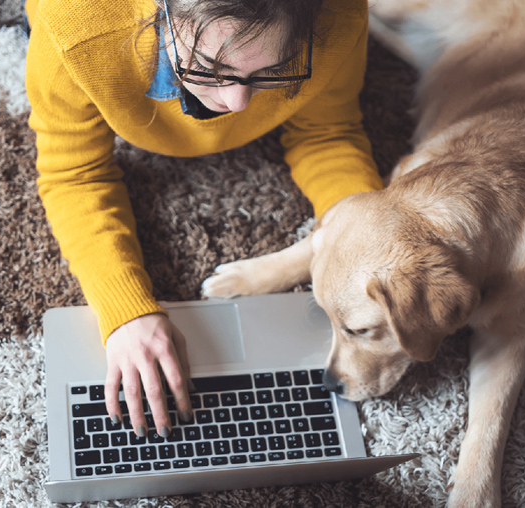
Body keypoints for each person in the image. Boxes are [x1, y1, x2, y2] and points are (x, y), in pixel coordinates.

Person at [24, 0, 383, 440]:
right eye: (210, 68)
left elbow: (328, 133)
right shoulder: (76, 24)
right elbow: (73, 173)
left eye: (274, 69)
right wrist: (125, 314)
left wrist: (369, 243)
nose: (237, 102)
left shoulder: (339, 12)